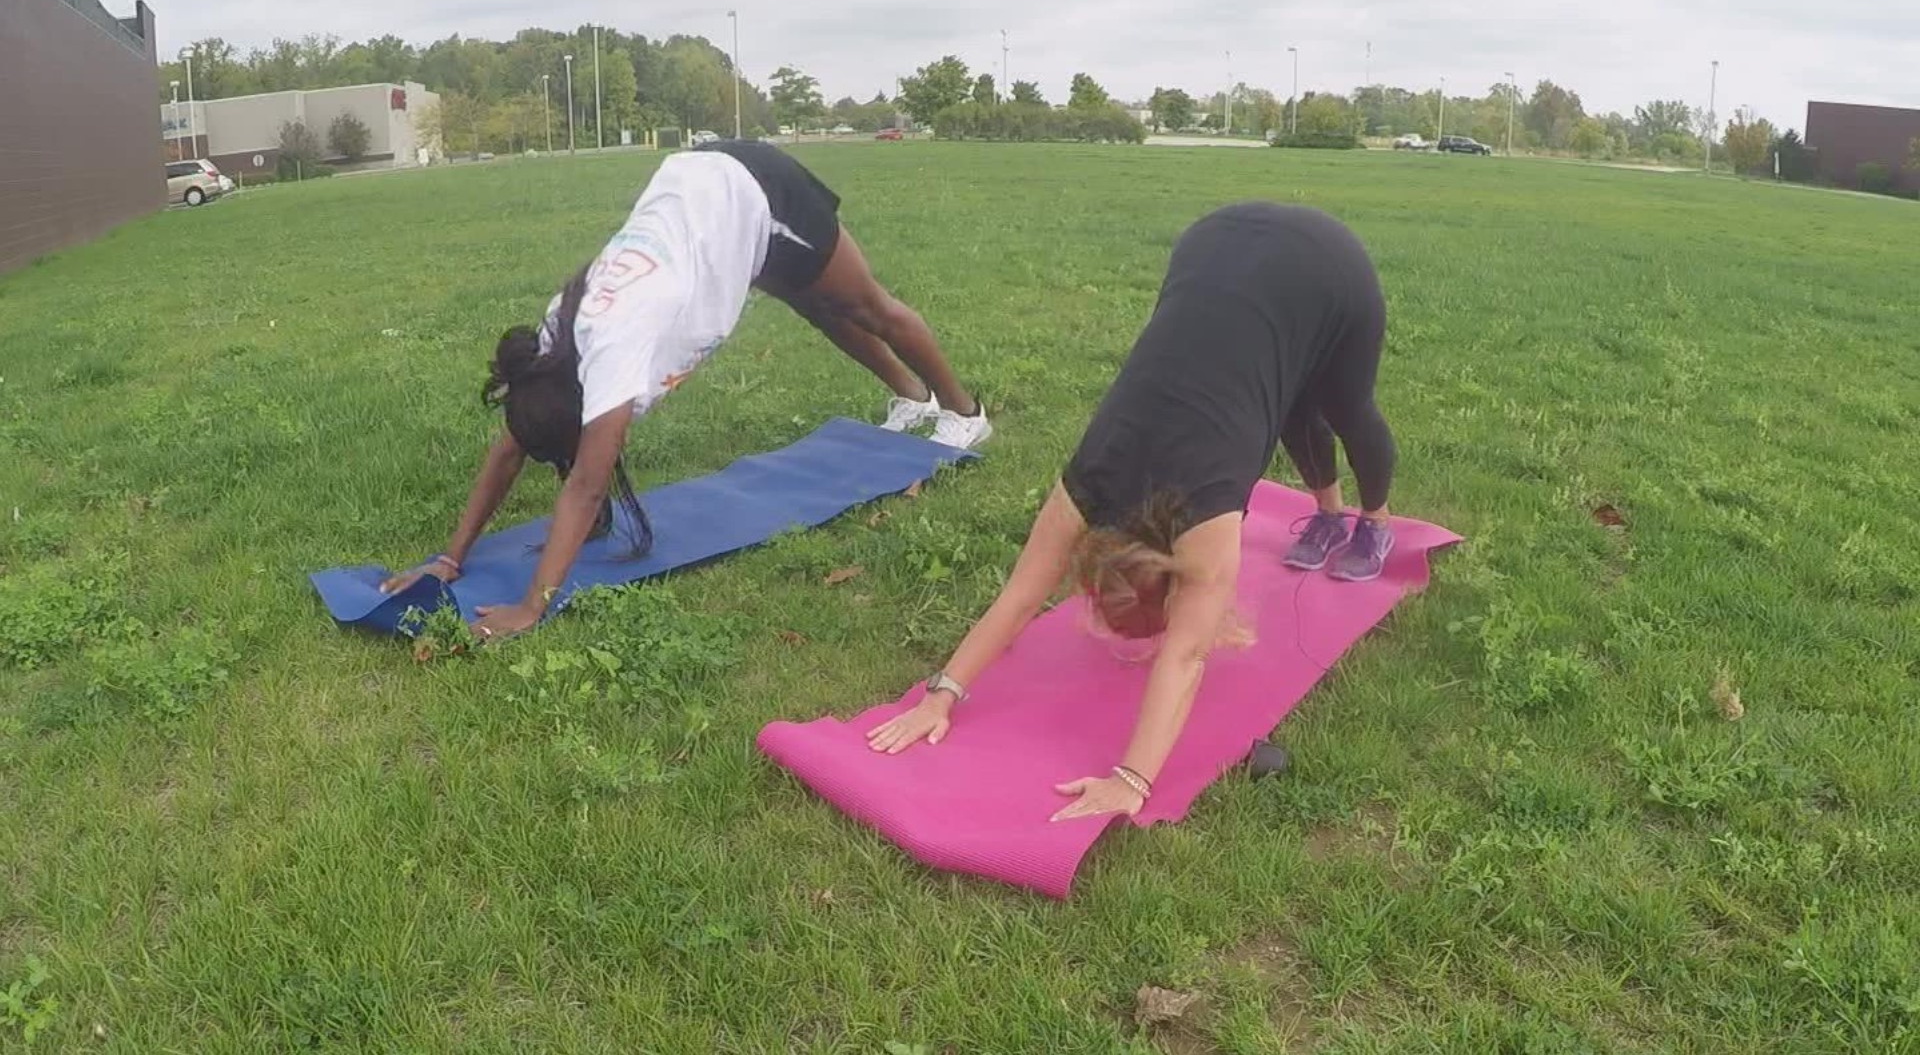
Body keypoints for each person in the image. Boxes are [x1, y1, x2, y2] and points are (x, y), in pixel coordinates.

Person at [864, 203, 1397, 822]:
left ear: (1173, 587)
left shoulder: (1204, 533)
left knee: (1344, 404)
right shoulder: (1082, 492)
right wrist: (940, 697)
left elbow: (1187, 655)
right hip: (1213, 241)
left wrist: (1130, 780)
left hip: (1325, 267)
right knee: (1282, 390)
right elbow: (1017, 599)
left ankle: (1374, 521)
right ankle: (1326, 511)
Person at [379, 139, 992, 641]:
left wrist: (531, 607)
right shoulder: (551, 347)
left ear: (587, 407)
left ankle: (965, 415)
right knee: (818, 308)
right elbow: (508, 448)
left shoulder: (614, 351)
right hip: (703, 206)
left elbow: (588, 488)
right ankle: (913, 401)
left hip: (755, 192)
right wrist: (450, 558)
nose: (568, 462)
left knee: (864, 305)